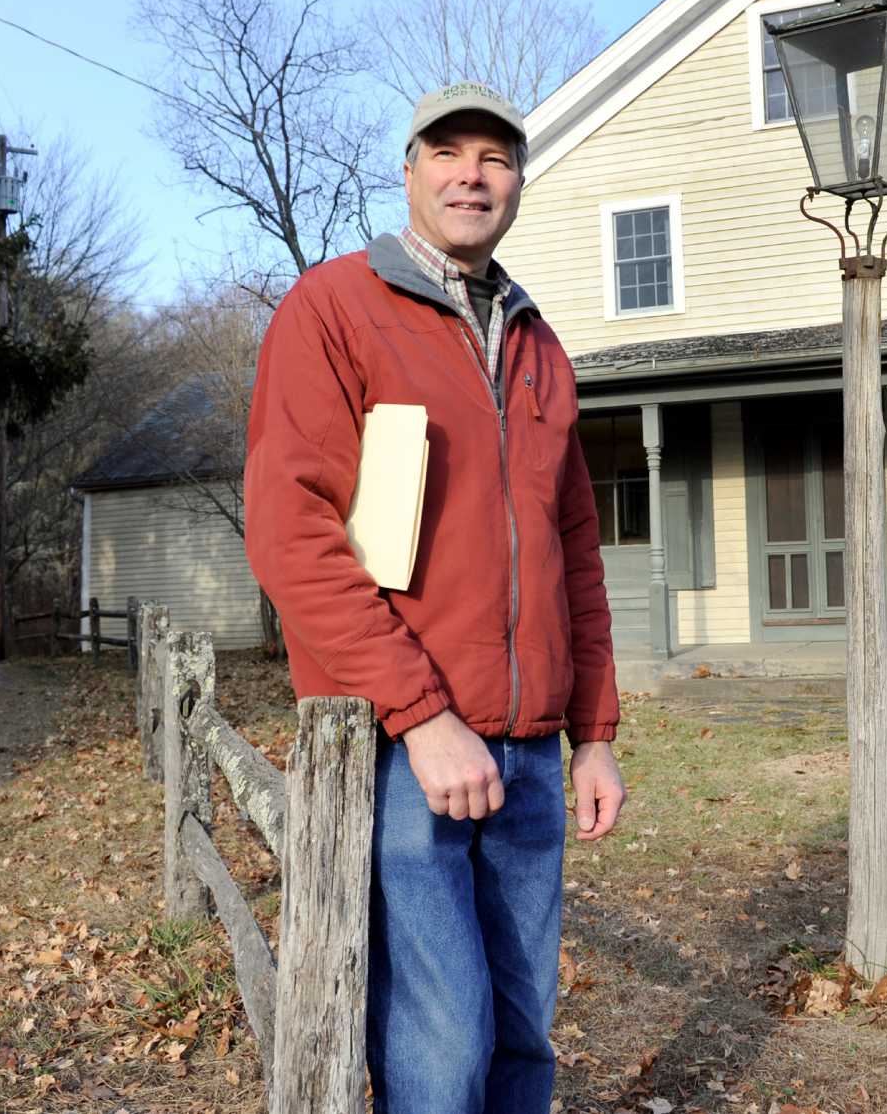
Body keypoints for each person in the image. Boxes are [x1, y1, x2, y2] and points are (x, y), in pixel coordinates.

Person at [243, 81, 626, 1113]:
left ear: (517, 181)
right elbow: (293, 537)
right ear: (407, 170)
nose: (472, 173)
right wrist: (421, 716)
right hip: (404, 749)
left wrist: (592, 733)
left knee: (520, 1040)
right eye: (447, 153)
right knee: (441, 1046)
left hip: (533, 749)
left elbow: (573, 551)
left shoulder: (538, 342)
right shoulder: (333, 308)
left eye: (494, 158)